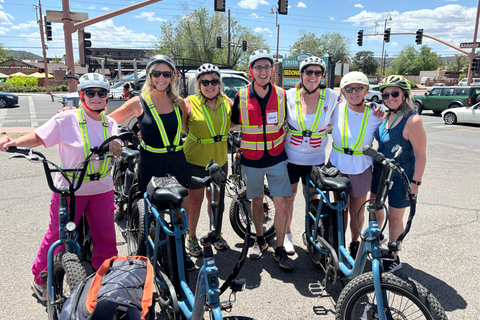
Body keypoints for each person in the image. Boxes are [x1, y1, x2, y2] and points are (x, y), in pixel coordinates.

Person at [0, 73, 121, 301]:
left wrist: (119, 147)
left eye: (101, 93)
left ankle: (105, 278)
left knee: (106, 238)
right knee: (58, 235)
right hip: (70, 190)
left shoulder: (110, 123)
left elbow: (118, 148)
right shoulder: (66, 119)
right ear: (82, 95)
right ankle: (41, 278)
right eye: (90, 93)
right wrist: (14, 143)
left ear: (107, 97)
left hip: (102, 189)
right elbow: (38, 137)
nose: (96, 97)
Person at [108, 55, 195, 271]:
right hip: (151, 160)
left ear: (173, 77)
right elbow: (109, 120)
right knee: (154, 211)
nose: (161, 78)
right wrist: (76, 115)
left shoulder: (179, 102)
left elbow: (185, 130)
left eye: (167, 74)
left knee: (180, 210)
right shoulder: (139, 101)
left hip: (176, 160)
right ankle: (149, 252)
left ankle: (180, 252)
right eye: (157, 73)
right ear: (149, 76)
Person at [231, 49, 294, 270]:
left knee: (281, 203)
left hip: (277, 157)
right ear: (251, 71)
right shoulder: (240, 96)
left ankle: (279, 249)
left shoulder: (283, 95)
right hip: (252, 159)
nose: (263, 71)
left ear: (272, 71)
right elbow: (229, 123)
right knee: (256, 201)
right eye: (258, 67)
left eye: (267, 67)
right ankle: (259, 241)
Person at [284, 56, 341, 255]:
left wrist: (376, 110)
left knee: (312, 199)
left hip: (315, 159)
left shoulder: (332, 96)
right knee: (289, 198)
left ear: (322, 76)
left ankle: (311, 233)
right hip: (291, 158)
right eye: (309, 72)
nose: (313, 76)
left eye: (318, 73)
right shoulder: (289, 95)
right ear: (301, 74)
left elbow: (351, 109)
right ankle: (287, 235)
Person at [371, 75, 427, 272]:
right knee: (375, 210)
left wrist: (415, 185)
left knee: (395, 218)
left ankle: (393, 256)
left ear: (405, 95)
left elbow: (420, 156)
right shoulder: (386, 116)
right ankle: (378, 244)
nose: (390, 97)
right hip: (379, 174)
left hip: (400, 177)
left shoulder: (413, 120)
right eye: (385, 94)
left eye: (395, 93)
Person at [329, 71, 384, 259]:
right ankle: (338, 244)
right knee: (340, 209)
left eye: (359, 88)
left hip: (361, 167)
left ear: (366, 90)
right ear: (343, 92)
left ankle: (355, 243)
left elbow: (396, 120)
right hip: (338, 166)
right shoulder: (335, 108)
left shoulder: (376, 112)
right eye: (349, 89)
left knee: (357, 211)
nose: (354, 92)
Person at [183, 63, 233, 256]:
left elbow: (237, 122)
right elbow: (181, 127)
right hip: (195, 161)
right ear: (199, 84)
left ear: (219, 83)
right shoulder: (188, 102)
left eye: (214, 81)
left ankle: (216, 233)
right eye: (205, 82)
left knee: (217, 201)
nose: (210, 85)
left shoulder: (226, 102)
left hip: (219, 161)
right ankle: (192, 237)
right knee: (195, 202)